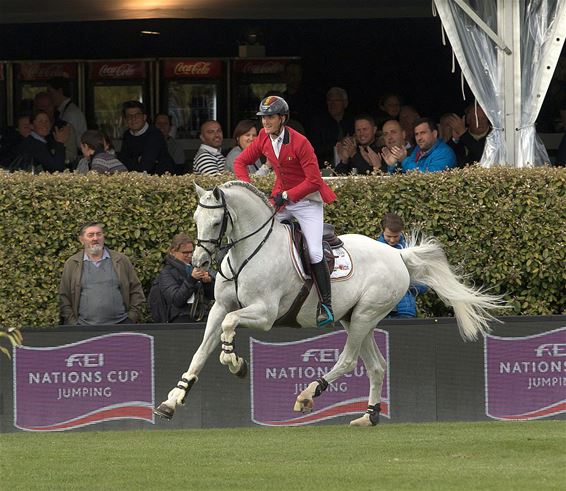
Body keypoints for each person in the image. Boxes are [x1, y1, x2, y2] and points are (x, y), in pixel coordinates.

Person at [234, 95, 337, 327]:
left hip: (308, 201)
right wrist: (246, 189)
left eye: (270, 117)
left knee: (314, 251)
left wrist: (289, 195)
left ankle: (325, 305)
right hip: (281, 199)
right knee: (261, 236)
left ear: (283, 118)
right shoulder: (262, 137)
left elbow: (313, 180)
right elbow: (239, 163)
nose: (265, 122)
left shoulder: (301, 143)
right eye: (263, 118)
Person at [59, 222, 145, 325]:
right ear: (82, 239)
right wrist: (74, 323)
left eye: (99, 234)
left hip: (120, 326)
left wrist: (131, 318)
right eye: (90, 235)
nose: (95, 238)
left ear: (103, 237)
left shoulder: (121, 260)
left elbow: (136, 290)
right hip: (85, 328)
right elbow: (64, 297)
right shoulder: (72, 264)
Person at [155, 234, 215, 323]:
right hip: (181, 321)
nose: (189, 255)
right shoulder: (166, 273)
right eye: (185, 253)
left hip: (204, 317)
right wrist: (192, 279)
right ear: (173, 251)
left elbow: (212, 296)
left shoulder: (196, 267)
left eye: (191, 252)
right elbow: (177, 300)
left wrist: (208, 282)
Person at [377, 213, 427, 318]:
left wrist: (406, 283)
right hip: (380, 309)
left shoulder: (410, 250)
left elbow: (423, 285)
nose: (392, 240)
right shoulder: (374, 250)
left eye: (396, 236)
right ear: (382, 231)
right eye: (388, 236)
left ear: (401, 231)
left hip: (405, 310)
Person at [118, 100, 174, 174]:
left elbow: (145, 166)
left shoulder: (155, 134)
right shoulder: (127, 135)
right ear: (125, 120)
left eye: (137, 115)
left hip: (162, 180)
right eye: (129, 116)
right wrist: (137, 160)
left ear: (144, 117)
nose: (133, 119)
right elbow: (121, 163)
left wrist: (132, 160)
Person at [387, 117, 457, 173]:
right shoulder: (418, 149)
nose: (419, 138)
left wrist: (404, 160)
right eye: (416, 134)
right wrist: (392, 166)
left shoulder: (444, 153)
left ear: (434, 134)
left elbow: (428, 178)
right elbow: (405, 176)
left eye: (423, 133)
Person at [309, 87, 354, 168]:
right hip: (326, 167)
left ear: (345, 103)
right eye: (330, 101)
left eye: (336, 100)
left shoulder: (352, 122)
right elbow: (314, 149)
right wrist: (338, 144)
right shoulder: (318, 123)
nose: (332, 104)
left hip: (350, 167)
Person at [47, 76, 87, 149]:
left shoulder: (71, 113)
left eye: (50, 91)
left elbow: (73, 139)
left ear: (59, 91)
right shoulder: (64, 110)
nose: (48, 96)